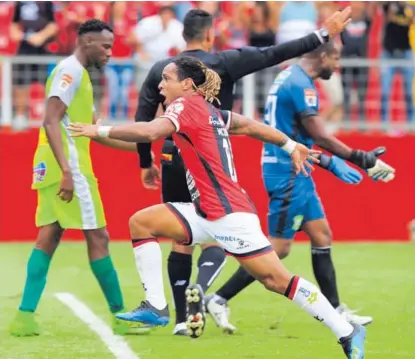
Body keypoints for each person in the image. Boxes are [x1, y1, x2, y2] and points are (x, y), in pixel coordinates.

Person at [69, 56, 367, 359]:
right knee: (141, 222)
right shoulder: (208, 111)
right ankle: (157, 306)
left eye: (166, 79)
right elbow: (249, 125)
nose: (160, 84)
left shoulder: (184, 106)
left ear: (186, 85)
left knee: (277, 280)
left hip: (229, 216)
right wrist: (290, 145)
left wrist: (101, 132)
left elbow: (150, 132)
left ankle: (347, 330)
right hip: (205, 211)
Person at [132, 7, 352, 335]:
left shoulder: (164, 71)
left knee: (179, 237)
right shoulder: (224, 61)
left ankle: (179, 319)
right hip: (211, 164)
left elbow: (144, 117)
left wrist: (144, 162)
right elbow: (275, 53)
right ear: (210, 34)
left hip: (172, 155)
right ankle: (204, 289)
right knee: (219, 235)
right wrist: (322, 33)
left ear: (183, 36)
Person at [208, 41, 395, 332]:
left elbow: (297, 137)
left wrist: (329, 163)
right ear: (323, 56)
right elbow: (318, 135)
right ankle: (218, 298)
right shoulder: (301, 85)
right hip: (288, 173)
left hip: (297, 168)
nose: (337, 66)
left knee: (322, 235)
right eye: (336, 58)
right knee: (278, 249)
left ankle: (337, 309)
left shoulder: (289, 76)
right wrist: (360, 158)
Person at [9, 19, 138, 337]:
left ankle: (24, 318)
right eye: (105, 46)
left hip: (50, 164)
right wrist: (67, 171)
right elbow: (50, 121)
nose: (110, 52)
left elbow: (90, 130)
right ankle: (120, 315)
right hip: (70, 167)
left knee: (48, 237)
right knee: (99, 237)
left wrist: (141, 150)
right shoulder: (71, 72)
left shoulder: (79, 76)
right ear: (87, 42)